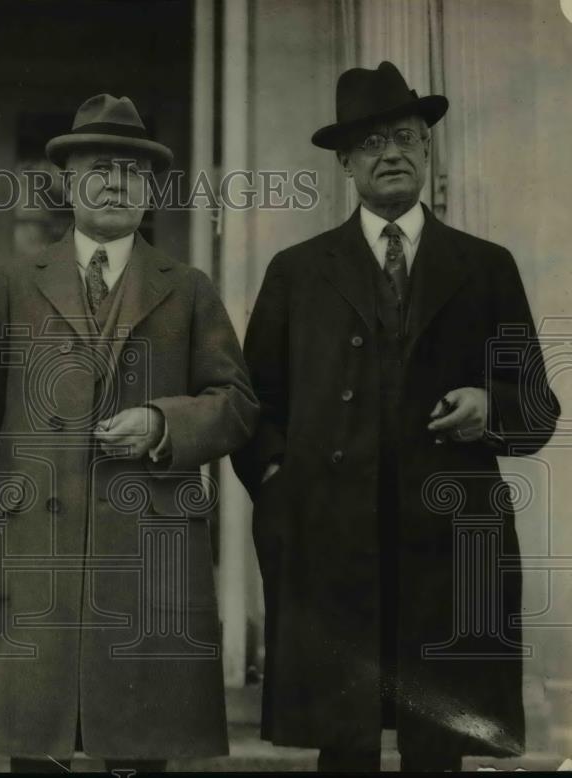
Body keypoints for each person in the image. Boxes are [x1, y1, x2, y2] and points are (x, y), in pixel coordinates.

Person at [234, 61, 560, 772]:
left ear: (427, 149)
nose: (393, 153)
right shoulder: (299, 271)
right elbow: (253, 405)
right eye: (374, 142)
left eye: (408, 137)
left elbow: (536, 406)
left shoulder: (486, 266)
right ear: (346, 162)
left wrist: (489, 407)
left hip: (445, 542)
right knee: (343, 741)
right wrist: (282, 478)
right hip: (330, 539)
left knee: (437, 743)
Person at [0, 93, 259, 772]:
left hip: (148, 561)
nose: (115, 182)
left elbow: (237, 403)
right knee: (36, 749)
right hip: (33, 556)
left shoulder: (190, 287)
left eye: (131, 171)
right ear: (67, 181)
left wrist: (163, 422)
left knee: (139, 749)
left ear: (150, 189)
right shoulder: (12, 286)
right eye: (97, 168)